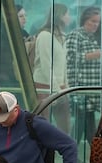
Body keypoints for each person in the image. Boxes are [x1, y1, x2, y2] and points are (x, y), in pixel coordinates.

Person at [66, 6, 102, 150]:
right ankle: (77, 151)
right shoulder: (75, 35)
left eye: (97, 22)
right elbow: (69, 57)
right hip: (81, 87)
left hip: (93, 88)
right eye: (92, 21)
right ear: (84, 20)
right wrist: (90, 56)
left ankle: (94, 152)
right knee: (82, 121)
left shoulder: (96, 38)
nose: (95, 25)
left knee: (88, 123)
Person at [33, 3, 71, 133]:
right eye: (67, 14)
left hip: (60, 88)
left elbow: (63, 64)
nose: (69, 17)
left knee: (65, 126)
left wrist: (65, 85)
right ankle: (45, 153)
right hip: (44, 86)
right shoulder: (44, 36)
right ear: (60, 16)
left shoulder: (62, 36)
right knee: (43, 126)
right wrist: (55, 89)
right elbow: (46, 65)